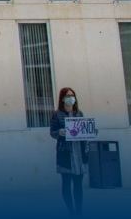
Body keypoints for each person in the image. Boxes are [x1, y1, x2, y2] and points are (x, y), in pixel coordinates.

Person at [50, 87, 89, 216]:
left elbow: (84, 129)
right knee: (66, 184)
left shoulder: (79, 113)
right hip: (65, 153)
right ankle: (71, 211)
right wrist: (59, 132)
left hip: (79, 153)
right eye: (68, 95)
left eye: (72, 95)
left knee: (78, 185)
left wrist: (90, 132)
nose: (71, 98)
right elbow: (52, 132)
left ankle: (79, 212)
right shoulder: (57, 114)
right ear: (62, 98)